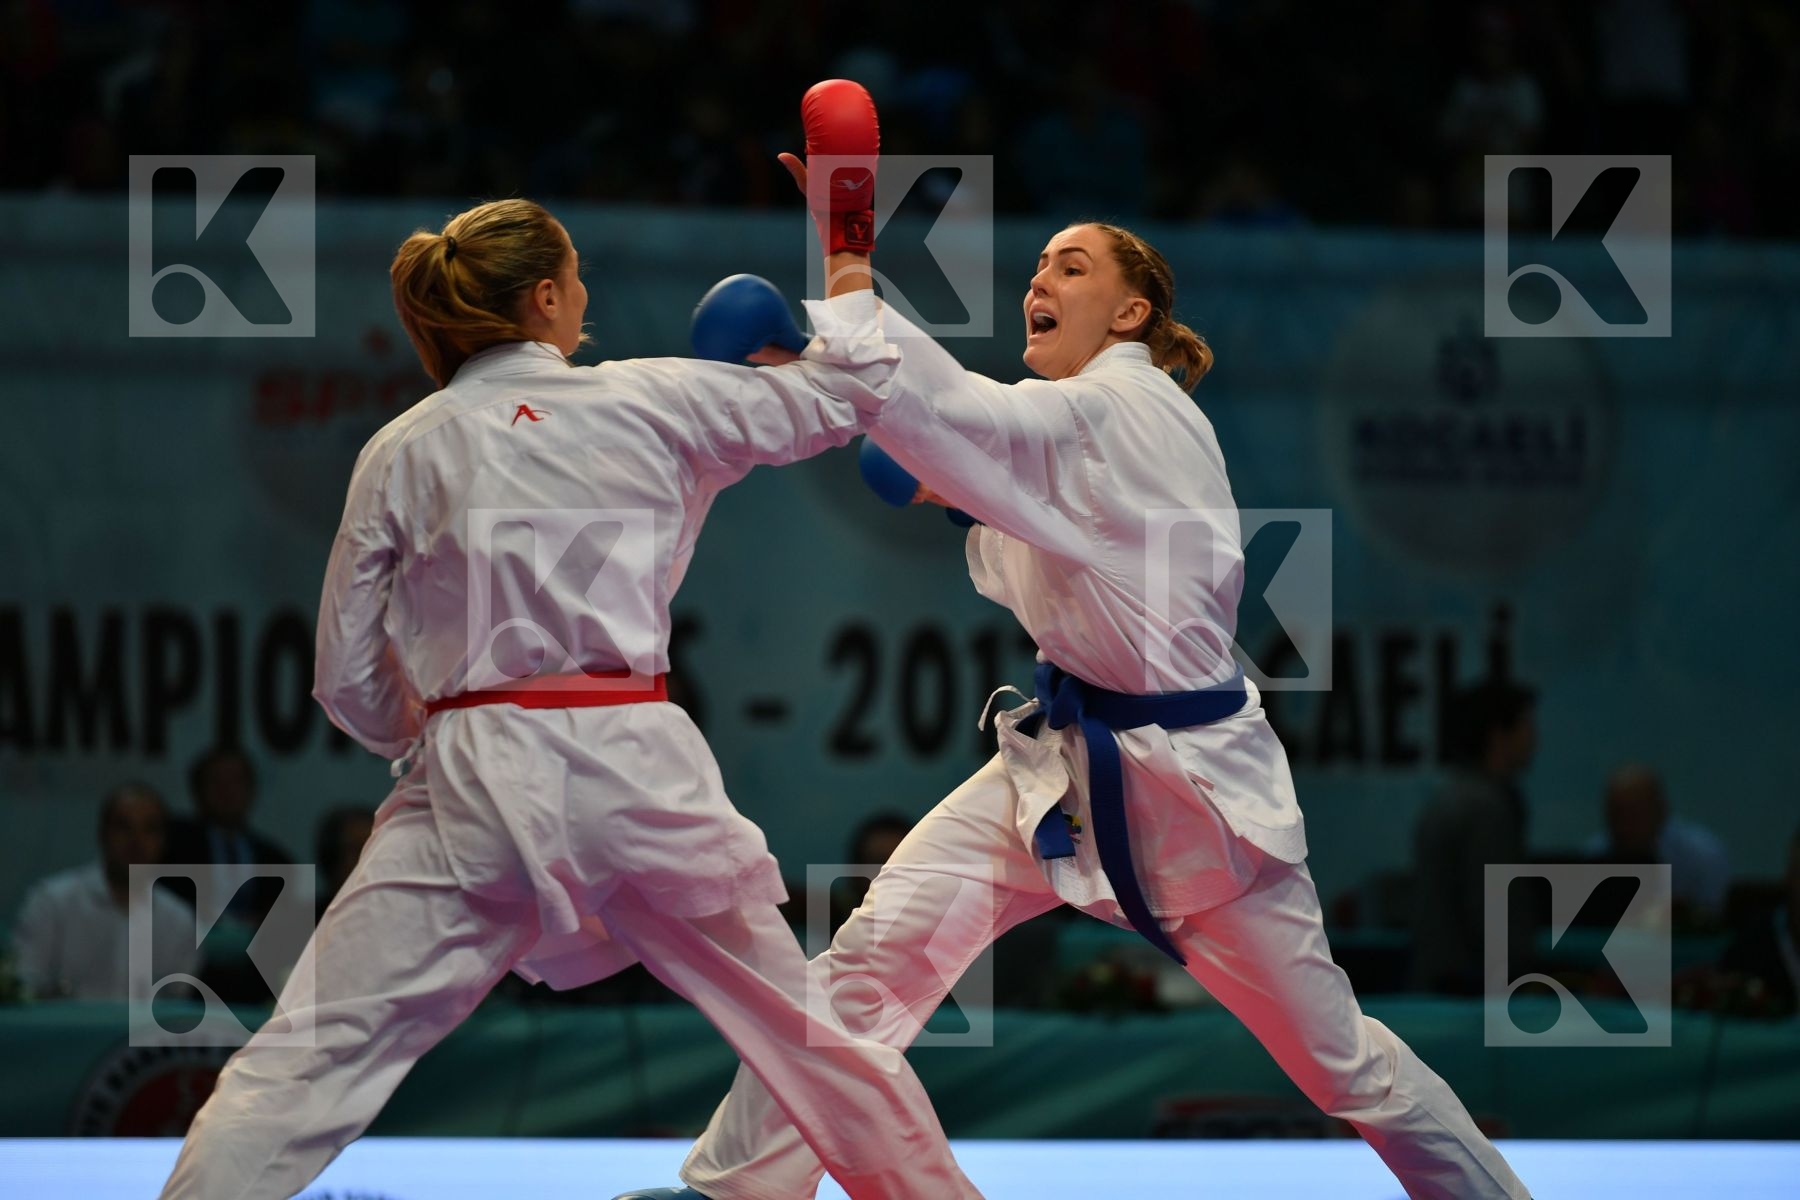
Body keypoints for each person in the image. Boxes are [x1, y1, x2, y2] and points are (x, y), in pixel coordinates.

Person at [620, 91, 1531, 1200]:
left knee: (1345, 1067)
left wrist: (847, 255)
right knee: (866, 967)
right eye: (1037, 265)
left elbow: (966, 420)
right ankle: (733, 1193)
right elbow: (1000, 482)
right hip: (1060, 769)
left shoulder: (1123, 414)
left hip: (1196, 805)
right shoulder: (1082, 431)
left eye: (1072, 267)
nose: (1038, 281)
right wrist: (836, 393)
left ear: (1135, 313)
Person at [157, 193, 981, 1200]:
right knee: (812, 1047)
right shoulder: (651, 399)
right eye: (577, 276)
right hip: (634, 770)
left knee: (312, 1055)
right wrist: (846, 244)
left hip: (468, 777)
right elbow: (855, 390)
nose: (585, 294)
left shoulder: (402, 448)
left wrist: (427, 731)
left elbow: (343, 674)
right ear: (547, 297)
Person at [11, 782, 198, 1000]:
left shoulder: (179, 920)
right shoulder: (52, 902)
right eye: (124, 827)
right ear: (102, 833)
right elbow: (23, 985)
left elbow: (176, 1008)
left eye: (150, 829)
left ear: (164, 841)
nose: (136, 842)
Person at [1410, 678, 1538, 994]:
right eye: (1526, 727)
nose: (1534, 738)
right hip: (1470, 996)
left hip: (1447, 989)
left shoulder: (1451, 798)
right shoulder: (1486, 810)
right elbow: (1495, 916)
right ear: (1498, 736)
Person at [1586, 764, 1730, 923]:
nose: (1624, 826)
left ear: (1661, 810)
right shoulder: (1595, 853)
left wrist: (1683, 913)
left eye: (1634, 814)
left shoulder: (1704, 855)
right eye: (1616, 814)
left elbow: (1715, 918)